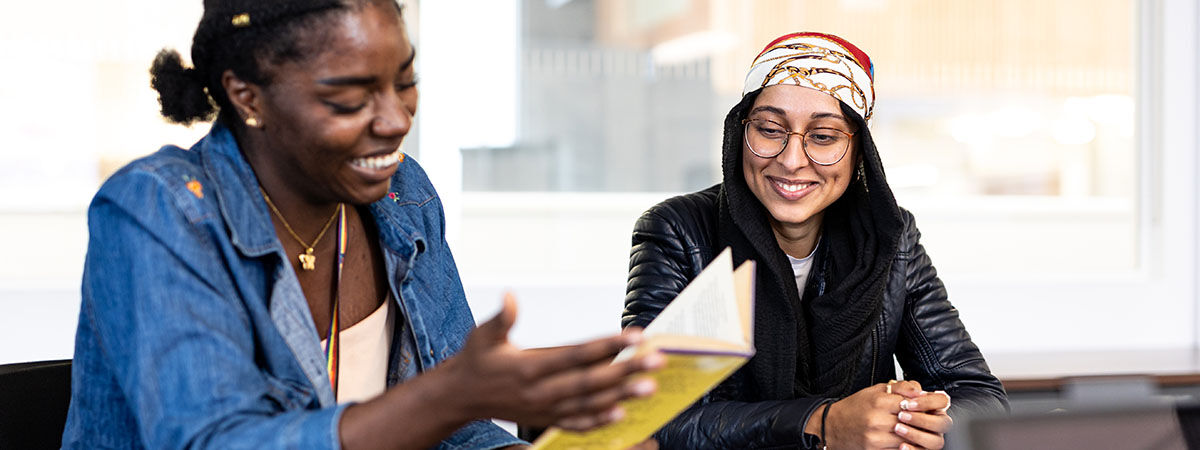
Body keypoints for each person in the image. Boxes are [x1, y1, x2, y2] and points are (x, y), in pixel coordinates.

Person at [61, 1, 663, 448]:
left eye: (405, 82)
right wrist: (451, 394)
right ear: (247, 97)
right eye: (350, 98)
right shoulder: (160, 209)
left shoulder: (402, 193)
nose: (396, 119)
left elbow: (452, 430)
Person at [623, 32, 1009, 449]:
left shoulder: (889, 237)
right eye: (769, 129)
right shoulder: (679, 230)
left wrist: (911, 421)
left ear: (859, 152)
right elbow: (647, 418)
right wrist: (822, 422)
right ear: (739, 133)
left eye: (823, 137)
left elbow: (978, 395)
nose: (791, 160)